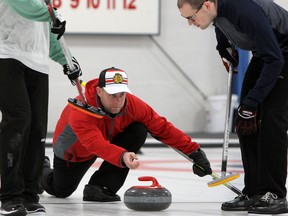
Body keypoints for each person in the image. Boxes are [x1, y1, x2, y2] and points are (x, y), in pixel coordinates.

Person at [177, 0, 288, 214]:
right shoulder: (215, 12)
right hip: (265, 54)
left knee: (271, 118)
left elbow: (275, 59)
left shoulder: (245, 11)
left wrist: (252, 102)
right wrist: (223, 48)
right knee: (246, 119)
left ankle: (275, 194)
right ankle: (254, 190)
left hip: (282, 55)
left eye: (191, 17)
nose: (190, 23)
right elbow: (220, 26)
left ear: (207, 5)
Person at [40, 67, 212, 202]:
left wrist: (194, 152)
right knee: (60, 191)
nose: (118, 101)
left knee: (138, 129)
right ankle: (41, 168)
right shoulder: (81, 109)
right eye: (113, 95)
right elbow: (94, 144)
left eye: (122, 94)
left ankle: (101, 187)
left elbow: (162, 127)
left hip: (107, 139)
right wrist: (122, 155)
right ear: (100, 91)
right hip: (74, 150)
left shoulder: (131, 104)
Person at [0, 0, 82, 215]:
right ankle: (10, 195)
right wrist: (53, 15)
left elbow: (49, 32)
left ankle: (29, 194)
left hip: (37, 62)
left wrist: (67, 60)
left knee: (37, 127)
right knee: (19, 120)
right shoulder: (43, 8)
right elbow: (24, 6)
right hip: (7, 55)